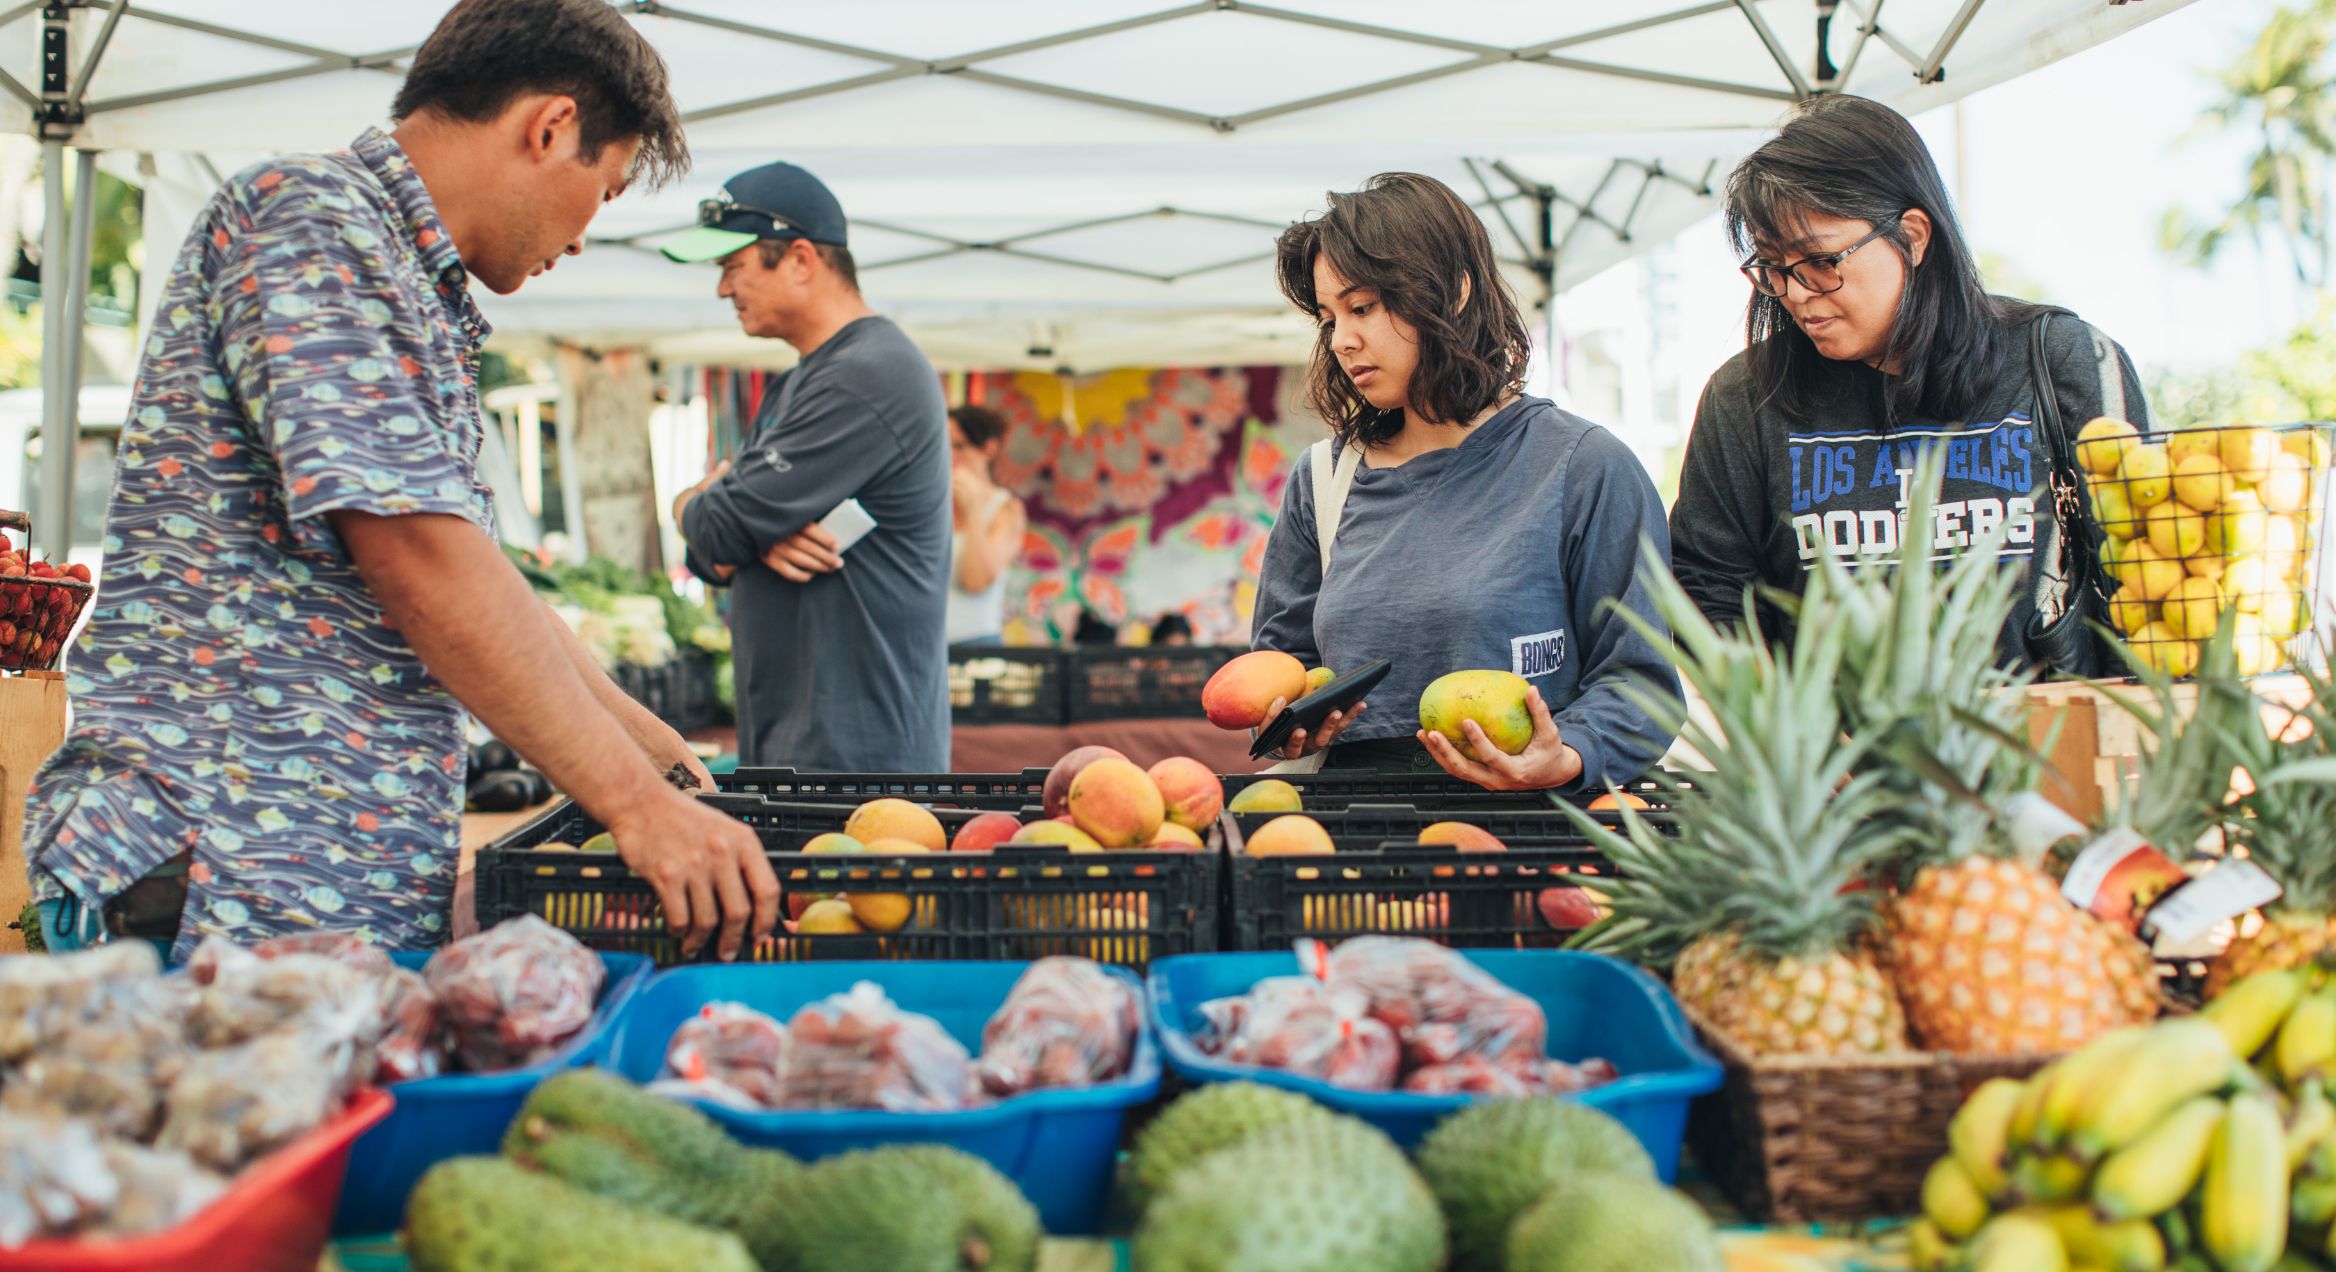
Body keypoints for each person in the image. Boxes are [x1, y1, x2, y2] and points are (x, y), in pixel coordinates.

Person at [20, 0, 778, 962]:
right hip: (224, 871)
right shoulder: (309, 215)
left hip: (303, 887)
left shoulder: (411, 284)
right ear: (550, 129)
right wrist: (632, 805)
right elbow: (420, 557)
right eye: (609, 187)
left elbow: (474, 571)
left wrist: (640, 737)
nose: (587, 236)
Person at [1670, 94, 2148, 669]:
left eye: (1821, 261)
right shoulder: (1744, 399)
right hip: (1836, 758)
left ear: (1914, 237)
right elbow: (1709, 594)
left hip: (2054, 746)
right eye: (1774, 267)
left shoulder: (2062, 360)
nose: (1795, 293)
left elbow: (2144, 571)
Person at [1251, 173, 1680, 793]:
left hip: (1529, 836)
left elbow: (1640, 683)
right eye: (1329, 317)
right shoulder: (1323, 480)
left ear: (1453, 293)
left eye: (1364, 307)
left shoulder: (1583, 467)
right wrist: (1289, 717)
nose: (1343, 339)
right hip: (1349, 842)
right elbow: (1286, 667)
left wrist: (1572, 754)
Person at [664, 162, 950, 771]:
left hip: (854, 758)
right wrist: (732, 526)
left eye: (732, 267)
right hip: (805, 741)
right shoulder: (801, 380)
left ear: (799, 259)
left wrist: (700, 509)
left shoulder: (866, 374)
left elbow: (720, 526)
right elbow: (711, 552)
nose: (722, 290)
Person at [943, 405, 1026, 646]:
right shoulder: (931, 507)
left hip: (976, 644)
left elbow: (976, 580)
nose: (950, 457)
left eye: (959, 446)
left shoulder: (1006, 510)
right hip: (928, 645)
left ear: (988, 449)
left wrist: (974, 512)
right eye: (943, 446)